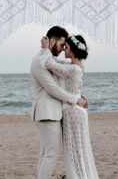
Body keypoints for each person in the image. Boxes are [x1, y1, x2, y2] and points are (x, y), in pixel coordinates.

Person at [30, 26, 88, 179]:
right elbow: (53, 89)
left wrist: (79, 94)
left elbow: (66, 72)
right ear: (53, 41)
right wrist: (76, 100)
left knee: (45, 153)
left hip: (52, 113)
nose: (63, 49)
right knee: (51, 154)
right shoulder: (39, 61)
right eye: (62, 45)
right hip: (47, 113)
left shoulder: (48, 58)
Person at [41, 34, 99, 179]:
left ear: (72, 50)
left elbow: (49, 64)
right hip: (77, 111)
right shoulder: (77, 66)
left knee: (74, 151)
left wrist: (45, 48)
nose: (63, 50)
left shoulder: (72, 69)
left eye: (66, 47)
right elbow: (58, 64)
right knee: (80, 150)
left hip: (72, 113)